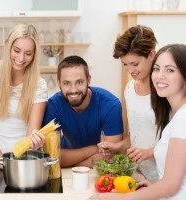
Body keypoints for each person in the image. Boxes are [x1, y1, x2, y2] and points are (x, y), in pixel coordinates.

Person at [96, 44, 186, 200]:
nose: (160, 76)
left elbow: (171, 186)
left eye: (170, 70)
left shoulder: (182, 118)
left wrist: (119, 199)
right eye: (157, 69)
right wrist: (149, 190)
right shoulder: (178, 117)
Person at [0, 24, 48, 157]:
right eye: (17, 50)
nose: (21, 58)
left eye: (28, 53)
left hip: (24, 159)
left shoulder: (39, 84)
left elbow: (32, 131)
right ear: (7, 45)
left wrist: (35, 141)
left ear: (34, 55)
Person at [98, 25, 159, 182]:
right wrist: (118, 147)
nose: (130, 70)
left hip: (166, 176)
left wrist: (149, 152)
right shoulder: (130, 89)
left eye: (135, 64)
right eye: (125, 64)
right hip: (141, 176)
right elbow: (137, 135)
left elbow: (179, 141)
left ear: (151, 55)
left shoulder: (165, 92)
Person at [42, 55, 123, 167]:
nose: (73, 90)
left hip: (90, 167)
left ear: (88, 80)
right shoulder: (53, 105)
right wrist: (93, 149)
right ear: (59, 83)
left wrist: (73, 165)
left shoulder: (110, 104)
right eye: (67, 83)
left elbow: (111, 155)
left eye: (79, 82)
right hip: (78, 159)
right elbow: (50, 156)